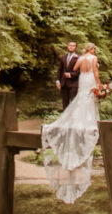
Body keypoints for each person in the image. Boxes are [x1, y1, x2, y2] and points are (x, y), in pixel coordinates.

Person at [42, 42, 101, 204]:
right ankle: (90, 122)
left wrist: (75, 73)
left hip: (82, 80)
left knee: (81, 101)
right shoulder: (94, 58)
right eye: (94, 49)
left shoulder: (80, 59)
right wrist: (99, 84)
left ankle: (78, 120)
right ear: (92, 49)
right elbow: (95, 72)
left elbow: (74, 70)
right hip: (90, 80)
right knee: (89, 102)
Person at [56, 41, 80, 110]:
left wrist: (70, 75)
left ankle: (74, 119)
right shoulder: (63, 57)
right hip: (64, 83)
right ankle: (65, 119)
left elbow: (79, 70)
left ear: (76, 47)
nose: (71, 47)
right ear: (67, 46)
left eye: (73, 46)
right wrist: (58, 81)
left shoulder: (79, 57)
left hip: (74, 84)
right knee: (65, 103)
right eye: (69, 45)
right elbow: (59, 70)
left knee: (74, 103)